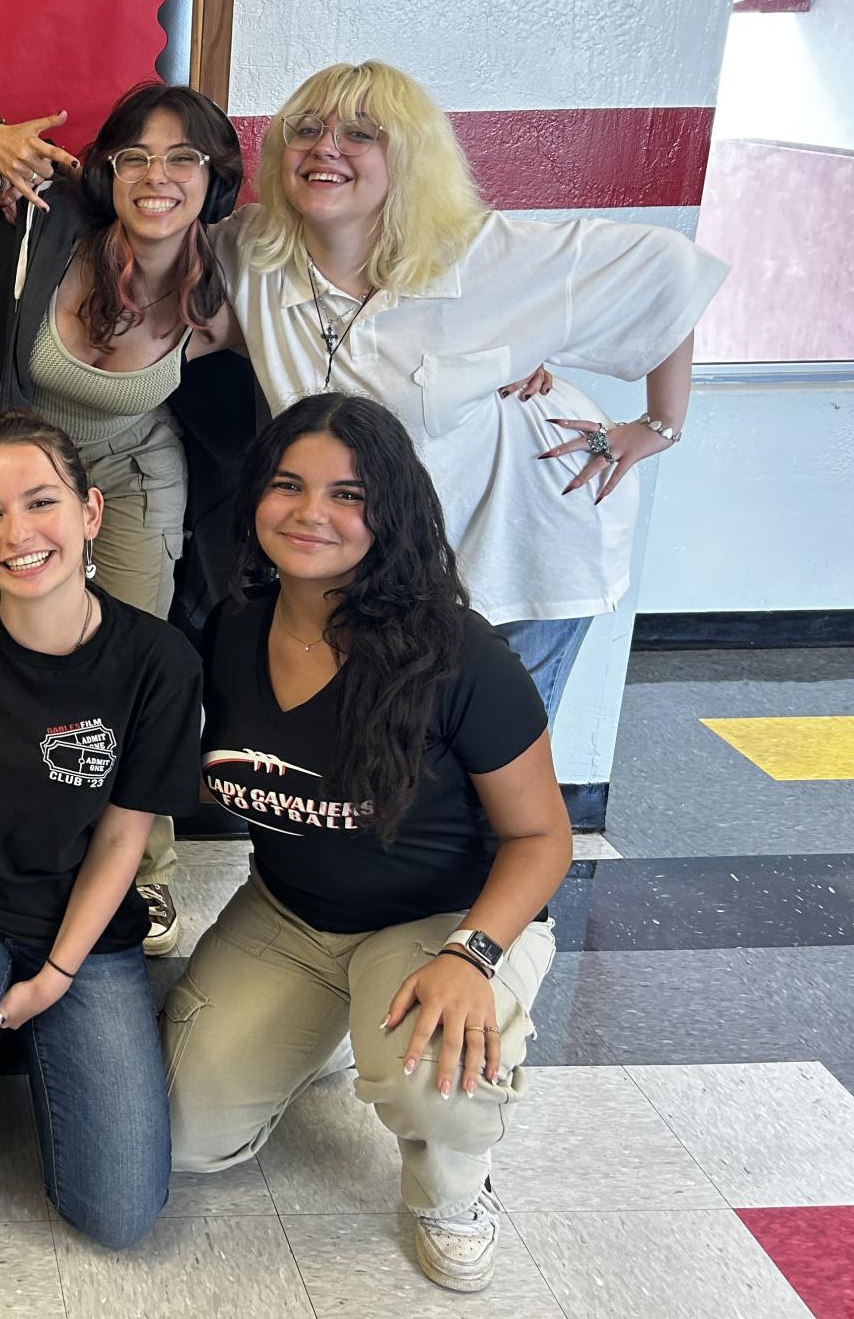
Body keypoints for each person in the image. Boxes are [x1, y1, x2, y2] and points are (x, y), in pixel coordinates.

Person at [163, 392, 572, 1295]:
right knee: (183, 1138)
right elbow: (223, 768)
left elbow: (543, 836)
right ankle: (341, 1025)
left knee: (433, 1078)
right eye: (288, 485)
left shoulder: (460, 655)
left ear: (390, 513)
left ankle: (452, 1189)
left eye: (348, 494)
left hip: (441, 920)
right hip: (289, 911)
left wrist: (473, 953)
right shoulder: (231, 626)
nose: (311, 513)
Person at [214, 60, 727, 719]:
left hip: (532, 539)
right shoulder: (252, 252)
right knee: (390, 744)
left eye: (361, 134)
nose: (324, 148)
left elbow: (668, 273)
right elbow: (147, 240)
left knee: (495, 759)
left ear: (411, 159)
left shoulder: (485, 254)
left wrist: (658, 423)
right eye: (306, 128)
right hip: (390, 558)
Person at [0, 411, 202, 1250]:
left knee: (119, 1213)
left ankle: (32, 1024)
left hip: (80, 921)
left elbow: (124, 839)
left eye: (40, 502)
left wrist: (53, 977)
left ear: (90, 512)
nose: (17, 533)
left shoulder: (160, 662)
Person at [0, 83, 249, 955]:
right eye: (136, 157)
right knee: (25, 655)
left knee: (141, 664)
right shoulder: (42, 224)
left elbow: (336, 335)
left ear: (213, 179)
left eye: (183, 157)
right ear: (104, 171)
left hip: (137, 472)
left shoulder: (220, 291)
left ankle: (145, 872)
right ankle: (42, 840)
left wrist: (524, 378)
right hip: (27, 472)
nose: (158, 177)